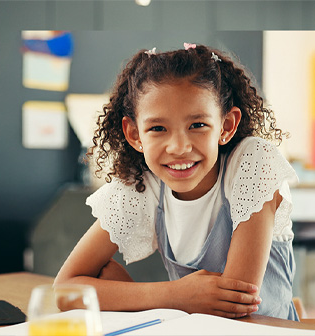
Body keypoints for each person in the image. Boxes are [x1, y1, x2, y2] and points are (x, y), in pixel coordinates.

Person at [54, 43, 299, 320]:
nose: (179, 147)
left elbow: (235, 305)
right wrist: (178, 294)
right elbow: (65, 289)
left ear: (226, 126)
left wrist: (159, 298)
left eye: (197, 125)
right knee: (100, 273)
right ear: (135, 135)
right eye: (157, 128)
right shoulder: (145, 185)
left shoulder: (253, 161)